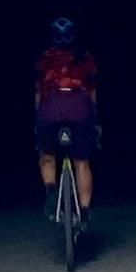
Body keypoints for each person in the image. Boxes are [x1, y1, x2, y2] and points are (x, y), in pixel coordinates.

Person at [33, 16, 99, 215]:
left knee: (47, 154)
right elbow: (92, 92)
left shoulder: (45, 59)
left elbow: (38, 93)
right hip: (80, 111)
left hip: (51, 111)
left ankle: (51, 191)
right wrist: (94, 119)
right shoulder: (85, 58)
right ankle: (85, 211)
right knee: (82, 162)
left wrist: (38, 120)